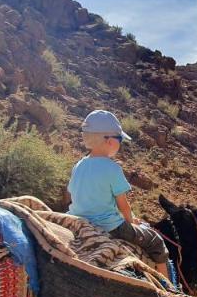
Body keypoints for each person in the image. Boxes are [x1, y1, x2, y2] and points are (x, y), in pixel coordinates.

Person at [68, 109, 170, 276]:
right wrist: (131, 222)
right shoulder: (112, 168)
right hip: (110, 226)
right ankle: (168, 289)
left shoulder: (78, 166)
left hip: (78, 221)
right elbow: (122, 204)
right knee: (156, 242)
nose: (120, 143)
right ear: (108, 140)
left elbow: (78, 195)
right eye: (119, 138)